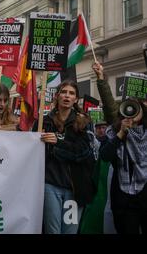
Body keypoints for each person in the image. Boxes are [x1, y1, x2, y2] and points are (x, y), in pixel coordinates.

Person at [33, 80, 96, 234]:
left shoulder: (83, 122)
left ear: (76, 99)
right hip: (50, 186)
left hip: (74, 190)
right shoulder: (44, 122)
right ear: (57, 96)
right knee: (52, 231)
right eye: (64, 92)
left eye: (72, 93)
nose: (67, 96)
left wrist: (58, 142)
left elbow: (83, 152)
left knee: (70, 231)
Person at [100, 99, 147, 234]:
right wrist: (121, 133)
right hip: (124, 199)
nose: (133, 111)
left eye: (137, 107)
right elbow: (105, 156)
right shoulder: (114, 132)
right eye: (130, 107)